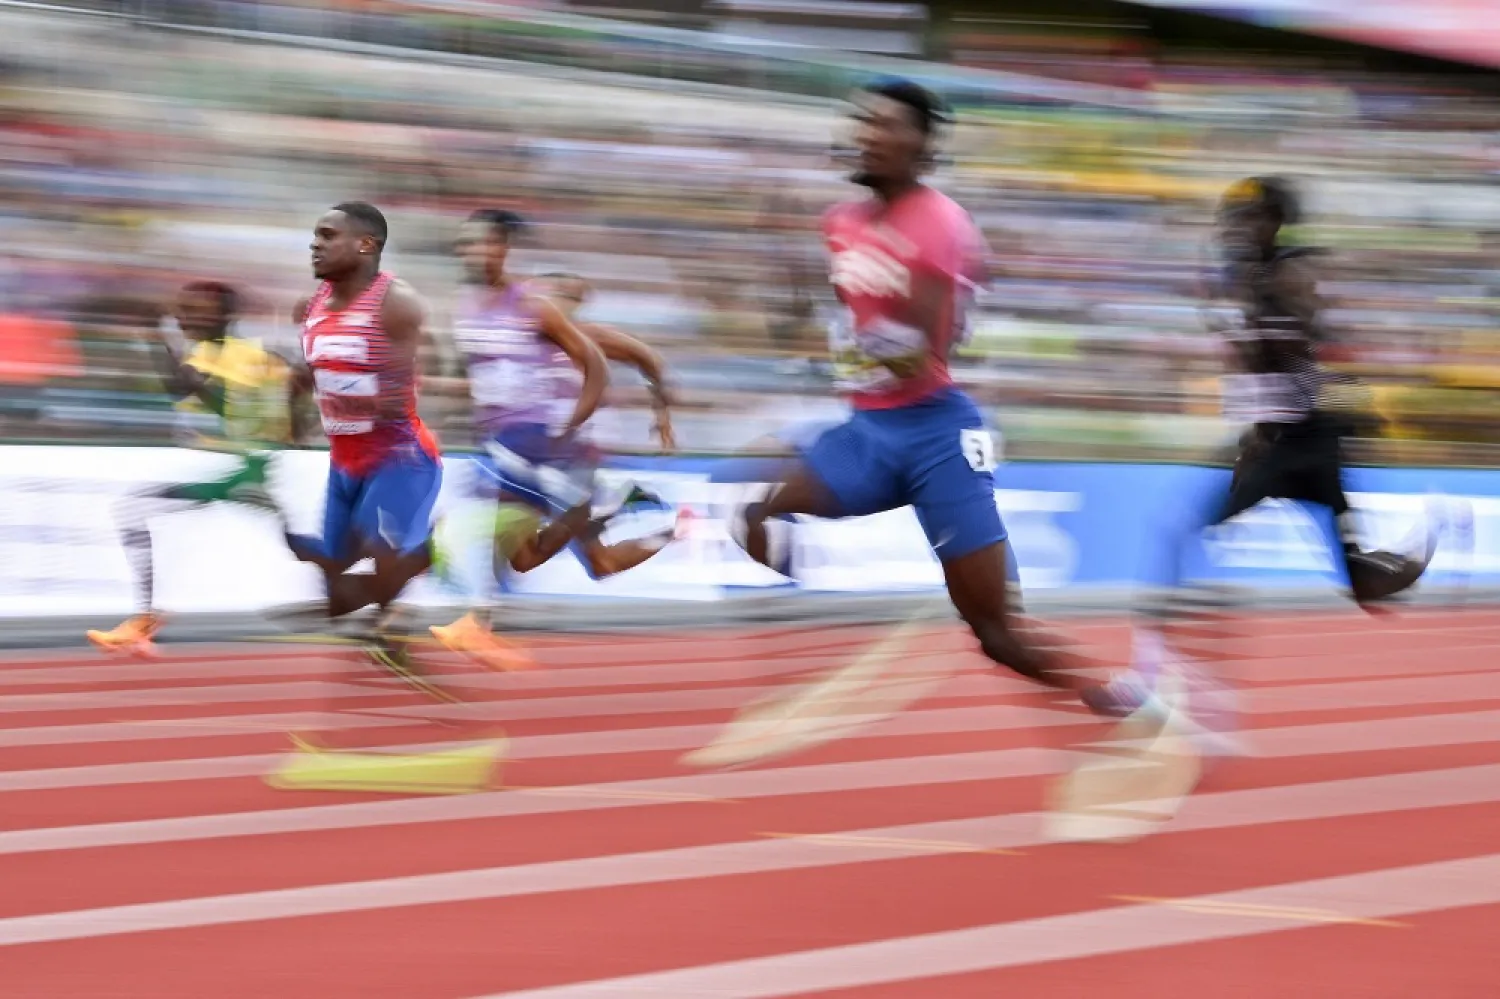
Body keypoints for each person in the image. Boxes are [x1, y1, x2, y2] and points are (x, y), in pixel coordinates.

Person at [725, 78, 1113, 705]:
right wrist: (798, 311)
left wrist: (850, 348)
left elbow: (926, 353)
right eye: (864, 122)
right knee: (752, 502)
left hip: (938, 437)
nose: (867, 135)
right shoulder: (841, 223)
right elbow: (848, 314)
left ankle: (1120, 697)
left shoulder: (941, 227)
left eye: (886, 126)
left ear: (922, 148)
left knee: (996, 634)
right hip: (869, 432)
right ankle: (804, 629)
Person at [1098, 176, 1449, 721]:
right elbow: (1254, 356)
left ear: (1276, 222)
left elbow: (1298, 347)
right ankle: (1144, 680)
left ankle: (1432, 533)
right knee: (1173, 527)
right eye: (1233, 220)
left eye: (1251, 218)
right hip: (1278, 439)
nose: (1239, 229)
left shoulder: (1290, 273)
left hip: (1305, 442)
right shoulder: (1246, 277)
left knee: (1369, 592)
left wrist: (1257, 337)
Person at [428, 211, 677, 669]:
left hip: (567, 453)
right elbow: (491, 380)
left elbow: (648, 359)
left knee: (484, 518)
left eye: (570, 298)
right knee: (561, 562)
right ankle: (661, 525)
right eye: (556, 292)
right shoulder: (502, 324)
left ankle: (477, 622)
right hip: (540, 449)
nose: (560, 303)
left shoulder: (582, 333)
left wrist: (659, 413)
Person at [87, 280, 301, 657]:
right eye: (185, 307)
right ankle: (144, 622)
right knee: (294, 540)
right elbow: (181, 388)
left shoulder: (243, 355)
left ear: (225, 316)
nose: (187, 315)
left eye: (198, 309)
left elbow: (213, 399)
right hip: (223, 464)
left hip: (239, 466)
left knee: (135, 511)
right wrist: (161, 340)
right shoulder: (205, 351)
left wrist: (158, 337)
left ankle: (144, 621)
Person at [282, 202, 443, 668]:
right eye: (316, 235)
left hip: (398, 454)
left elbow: (399, 390)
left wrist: (350, 398)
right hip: (345, 459)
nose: (315, 244)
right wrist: (295, 419)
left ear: (365, 244)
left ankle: (401, 597)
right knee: (335, 591)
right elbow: (308, 371)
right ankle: (415, 565)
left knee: (375, 543)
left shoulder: (397, 302)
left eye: (328, 235)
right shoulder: (310, 306)